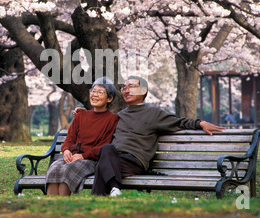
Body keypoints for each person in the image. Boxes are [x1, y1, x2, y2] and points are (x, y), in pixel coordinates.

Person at [91, 75, 225, 196]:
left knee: (102, 163)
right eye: (124, 88)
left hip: (134, 161)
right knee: (106, 150)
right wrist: (82, 114)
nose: (126, 91)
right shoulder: (119, 116)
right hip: (113, 158)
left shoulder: (154, 114)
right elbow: (98, 127)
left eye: (131, 86)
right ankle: (113, 190)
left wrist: (200, 123)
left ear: (143, 91)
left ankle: (98, 200)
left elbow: (179, 122)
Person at [45, 77, 119, 196]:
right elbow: (70, 138)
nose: (95, 95)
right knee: (54, 169)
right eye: (93, 91)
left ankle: (61, 207)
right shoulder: (81, 115)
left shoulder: (112, 119)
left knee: (68, 169)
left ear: (109, 98)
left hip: (92, 160)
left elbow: (103, 146)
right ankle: (50, 208)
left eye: (100, 92)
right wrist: (66, 150)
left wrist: (83, 156)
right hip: (73, 156)